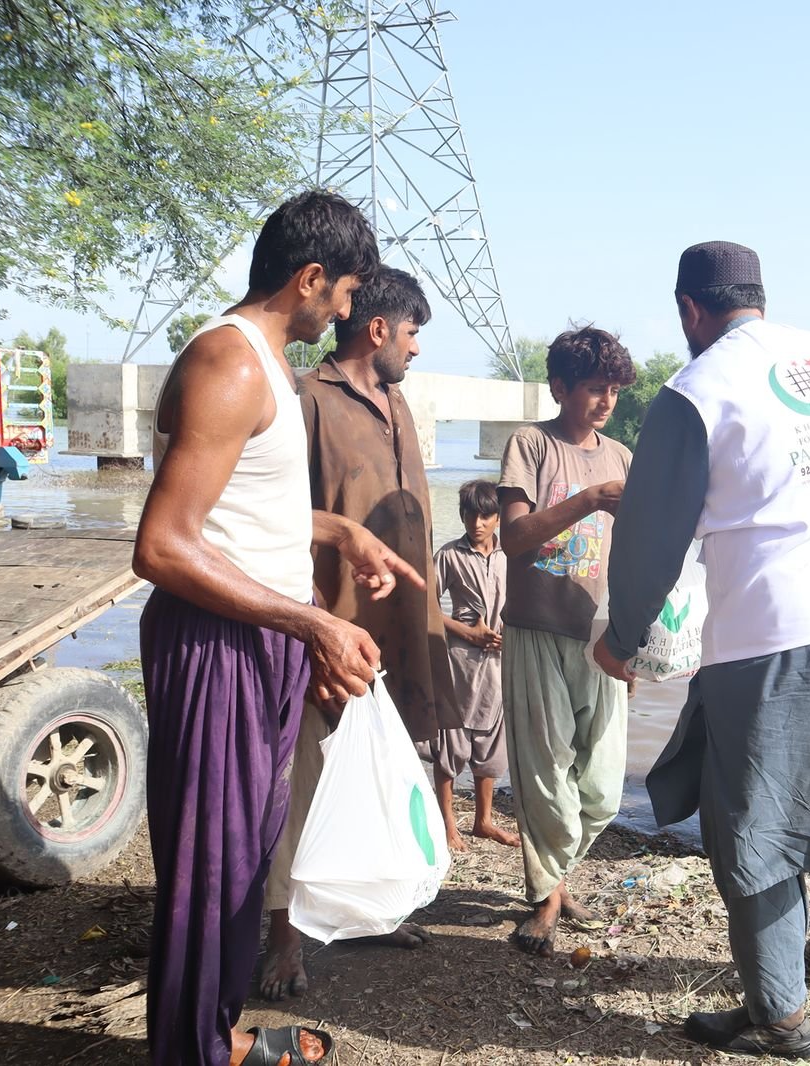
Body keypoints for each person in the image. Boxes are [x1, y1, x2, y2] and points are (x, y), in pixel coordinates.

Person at [594, 241, 810, 1059]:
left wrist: (623, 637)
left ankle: (779, 1018)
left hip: (774, 639)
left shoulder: (696, 390)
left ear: (689, 309)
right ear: (759, 296)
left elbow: (649, 537)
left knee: (759, 827)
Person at [134, 191, 421, 1066]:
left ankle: (215, 1029)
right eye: (345, 294)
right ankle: (192, 1049)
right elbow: (164, 545)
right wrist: (312, 623)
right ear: (310, 278)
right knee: (210, 865)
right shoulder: (230, 362)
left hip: (252, 638)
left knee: (245, 854)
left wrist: (339, 532)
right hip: (214, 642)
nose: (346, 312)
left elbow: (241, 510)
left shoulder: (269, 367)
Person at [257, 265, 461, 1001]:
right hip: (331, 632)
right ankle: (285, 936)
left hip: (401, 633)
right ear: (377, 329)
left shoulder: (398, 403)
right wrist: (311, 629)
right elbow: (278, 521)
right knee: (305, 786)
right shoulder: (307, 400)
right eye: (412, 333)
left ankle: (371, 911)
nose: (416, 348)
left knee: (381, 774)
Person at [497, 326, 636, 957]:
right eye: (595, 388)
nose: (606, 401)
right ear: (559, 387)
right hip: (535, 627)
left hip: (600, 636)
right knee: (544, 770)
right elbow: (514, 539)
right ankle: (546, 895)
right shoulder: (530, 444)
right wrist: (590, 499)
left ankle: (556, 873)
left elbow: (634, 553)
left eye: (614, 390)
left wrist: (637, 638)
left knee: (602, 786)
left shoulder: (622, 457)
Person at [433, 479, 520, 851]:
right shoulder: (449, 555)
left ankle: (483, 821)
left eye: (485, 516)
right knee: (451, 742)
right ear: (462, 515)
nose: (477, 523)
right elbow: (425, 607)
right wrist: (467, 632)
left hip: (499, 663)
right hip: (460, 663)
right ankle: (448, 823)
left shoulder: (511, 555)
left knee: (491, 743)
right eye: (470, 515)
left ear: (498, 517)